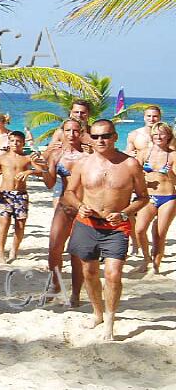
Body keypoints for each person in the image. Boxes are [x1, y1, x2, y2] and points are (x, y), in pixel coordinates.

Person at [63, 119, 149, 341]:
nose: (101, 140)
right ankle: (97, 313)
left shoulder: (130, 164)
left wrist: (125, 212)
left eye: (106, 136)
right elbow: (69, 193)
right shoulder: (83, 164)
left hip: (116, 226)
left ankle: (110, 321)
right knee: (89, 273)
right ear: (90, 138)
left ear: (115, 137)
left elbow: (143, 197)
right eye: (96, 136)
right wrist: (80, 206)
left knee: (113, 275)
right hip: (87, 225)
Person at [38, 118, 89, 306]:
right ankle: (56, 283)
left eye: (76, 131)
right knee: (54, 247)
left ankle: (76, 293)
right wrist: (44, 168)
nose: (72, 134)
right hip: (63, 206)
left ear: (82, 132)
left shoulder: (89, 157)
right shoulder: (56, 155)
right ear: (62, 132)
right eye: (68, 130)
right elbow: (50, 184)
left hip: (83, 208)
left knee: (76, 253)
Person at [133, 122, 176, 274]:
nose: (159, 136)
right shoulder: (144, 152)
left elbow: (175, 181)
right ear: (152, 135)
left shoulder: (173, 155)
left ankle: (156, 265)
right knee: (139, 230)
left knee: (160, 234)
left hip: (168, 197)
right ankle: (146, 259)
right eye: (156, 133)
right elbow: (135, 173)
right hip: (148, 196)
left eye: (162, 133)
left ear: (168, 136)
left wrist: (169, 172)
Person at [0, 131, 38, 263]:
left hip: (21, 195)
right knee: (4, 222)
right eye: (12, 141)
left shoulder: (27, 158)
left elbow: (41, 171)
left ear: (23, 143)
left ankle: (14, 250)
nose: (15, 143)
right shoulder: (2, 158)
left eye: (18, 141)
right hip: (4, 194)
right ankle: (0, 251)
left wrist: (29, 171)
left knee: (20, 224)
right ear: (8, 142)